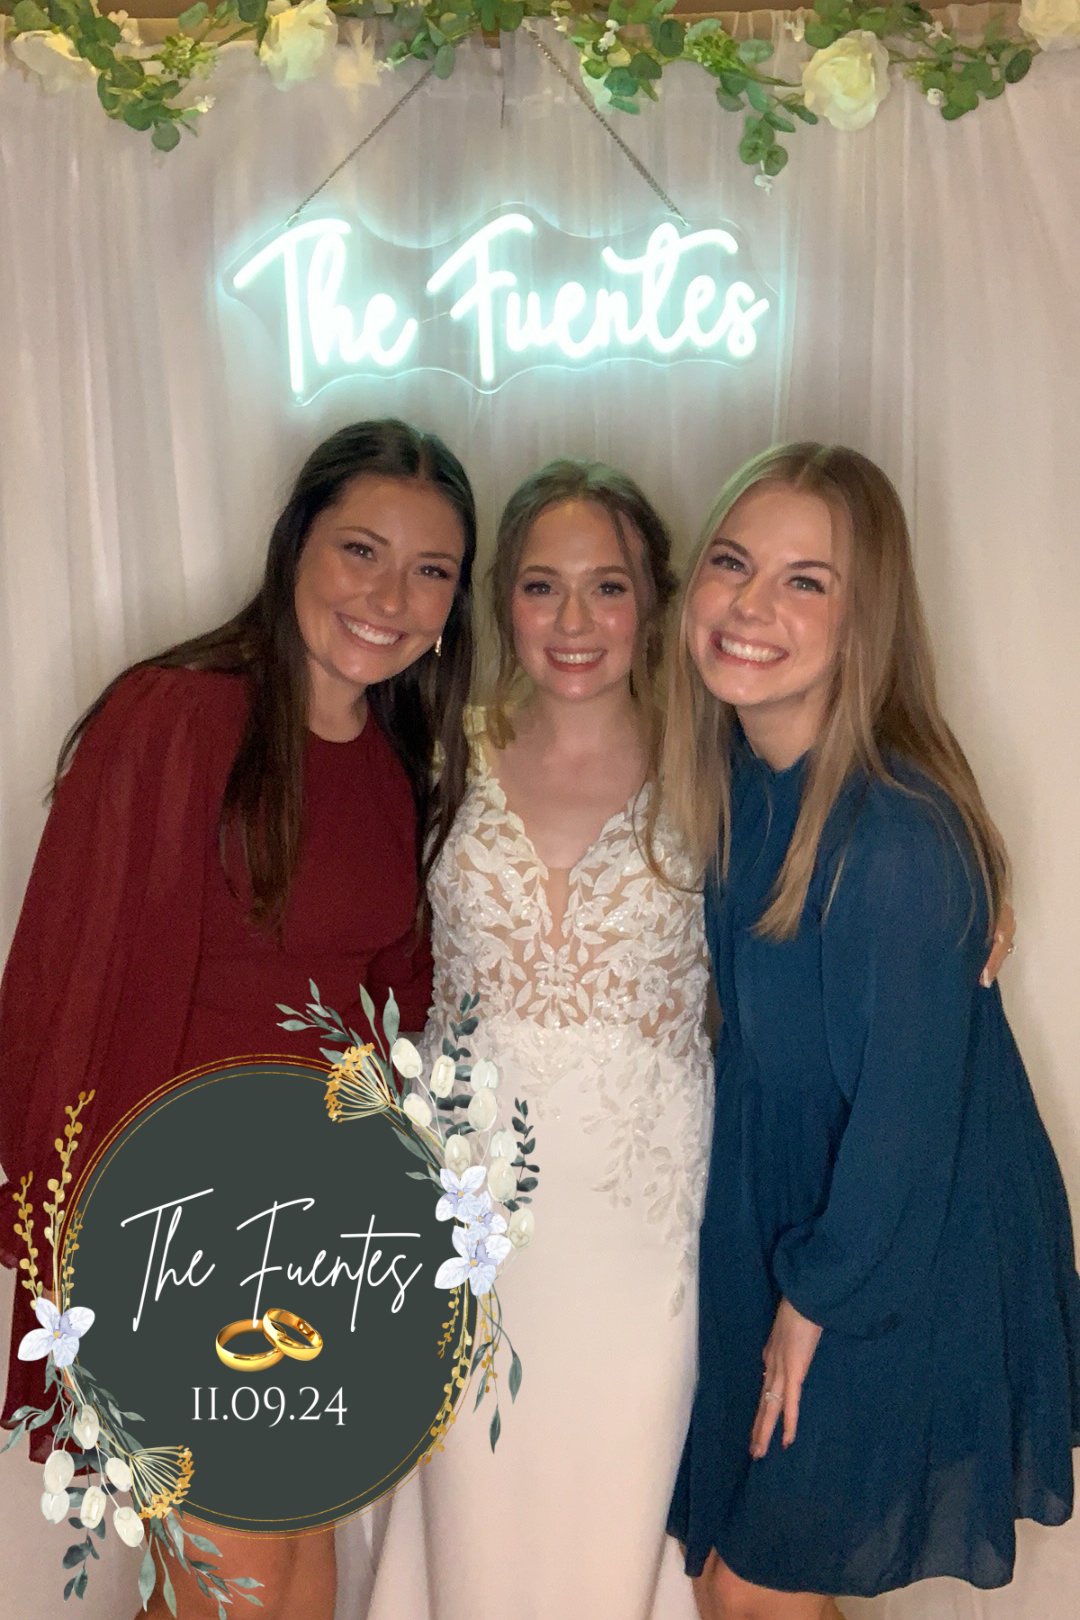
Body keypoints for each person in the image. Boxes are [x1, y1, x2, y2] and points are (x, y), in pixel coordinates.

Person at [0, 418, 477, 1618]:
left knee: (293, 1577)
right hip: (166, 1233)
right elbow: (64, 980)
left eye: (432, 571)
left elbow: (390, 1022)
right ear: (294, 544)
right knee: (251, 1589)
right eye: (362, 550)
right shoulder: (175, 717)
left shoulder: (389, 759)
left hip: (313, 1245)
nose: (392, 597)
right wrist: (58, 1244)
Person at [659, 443, 1080, 1620]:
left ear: (866, 622)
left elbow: (904, 1125)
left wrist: (814, 1304)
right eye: (733, 564)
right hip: (792, 1214)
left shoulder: (894, 841)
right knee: (738, 1584)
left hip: (892, 1241)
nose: (751, 605)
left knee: (752, 1589)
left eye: (806, 581)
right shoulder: (741, 787)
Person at [357, 462, 712, 1620]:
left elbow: (849, 845)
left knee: (625, 1507)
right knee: (474, 1517)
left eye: (607, 589)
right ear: (503, 600)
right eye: (543, 588)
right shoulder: (431, 757)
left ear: (652, 602)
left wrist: (982, 891)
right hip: (472, 1224)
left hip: (643, 1236)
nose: (573, 623)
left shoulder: (717, 767)